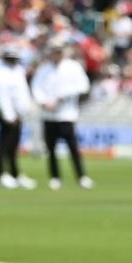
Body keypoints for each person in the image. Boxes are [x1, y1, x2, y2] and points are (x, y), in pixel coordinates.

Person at [31, 44, 93, 189]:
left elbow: (83, 85)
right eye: (54, 52)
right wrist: (44, 102)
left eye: (59, 52)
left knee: (73, 147)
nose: (56, 55)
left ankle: (81, 176)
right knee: (51, 148)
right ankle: (55, 177)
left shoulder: (73, 67)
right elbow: (36, 88)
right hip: (48, 115)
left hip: (67, 114)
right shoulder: (44, 69)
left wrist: (62, 97)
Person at [0, 44, 36, 189]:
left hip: (18, 113)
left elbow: (22, 93)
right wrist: (9, 116)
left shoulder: (18, 71)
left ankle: (15, 174)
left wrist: (23, 111)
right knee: (4, 144)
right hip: (5, 113)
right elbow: (2, 96)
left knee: (14, 145)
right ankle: (2, 174)